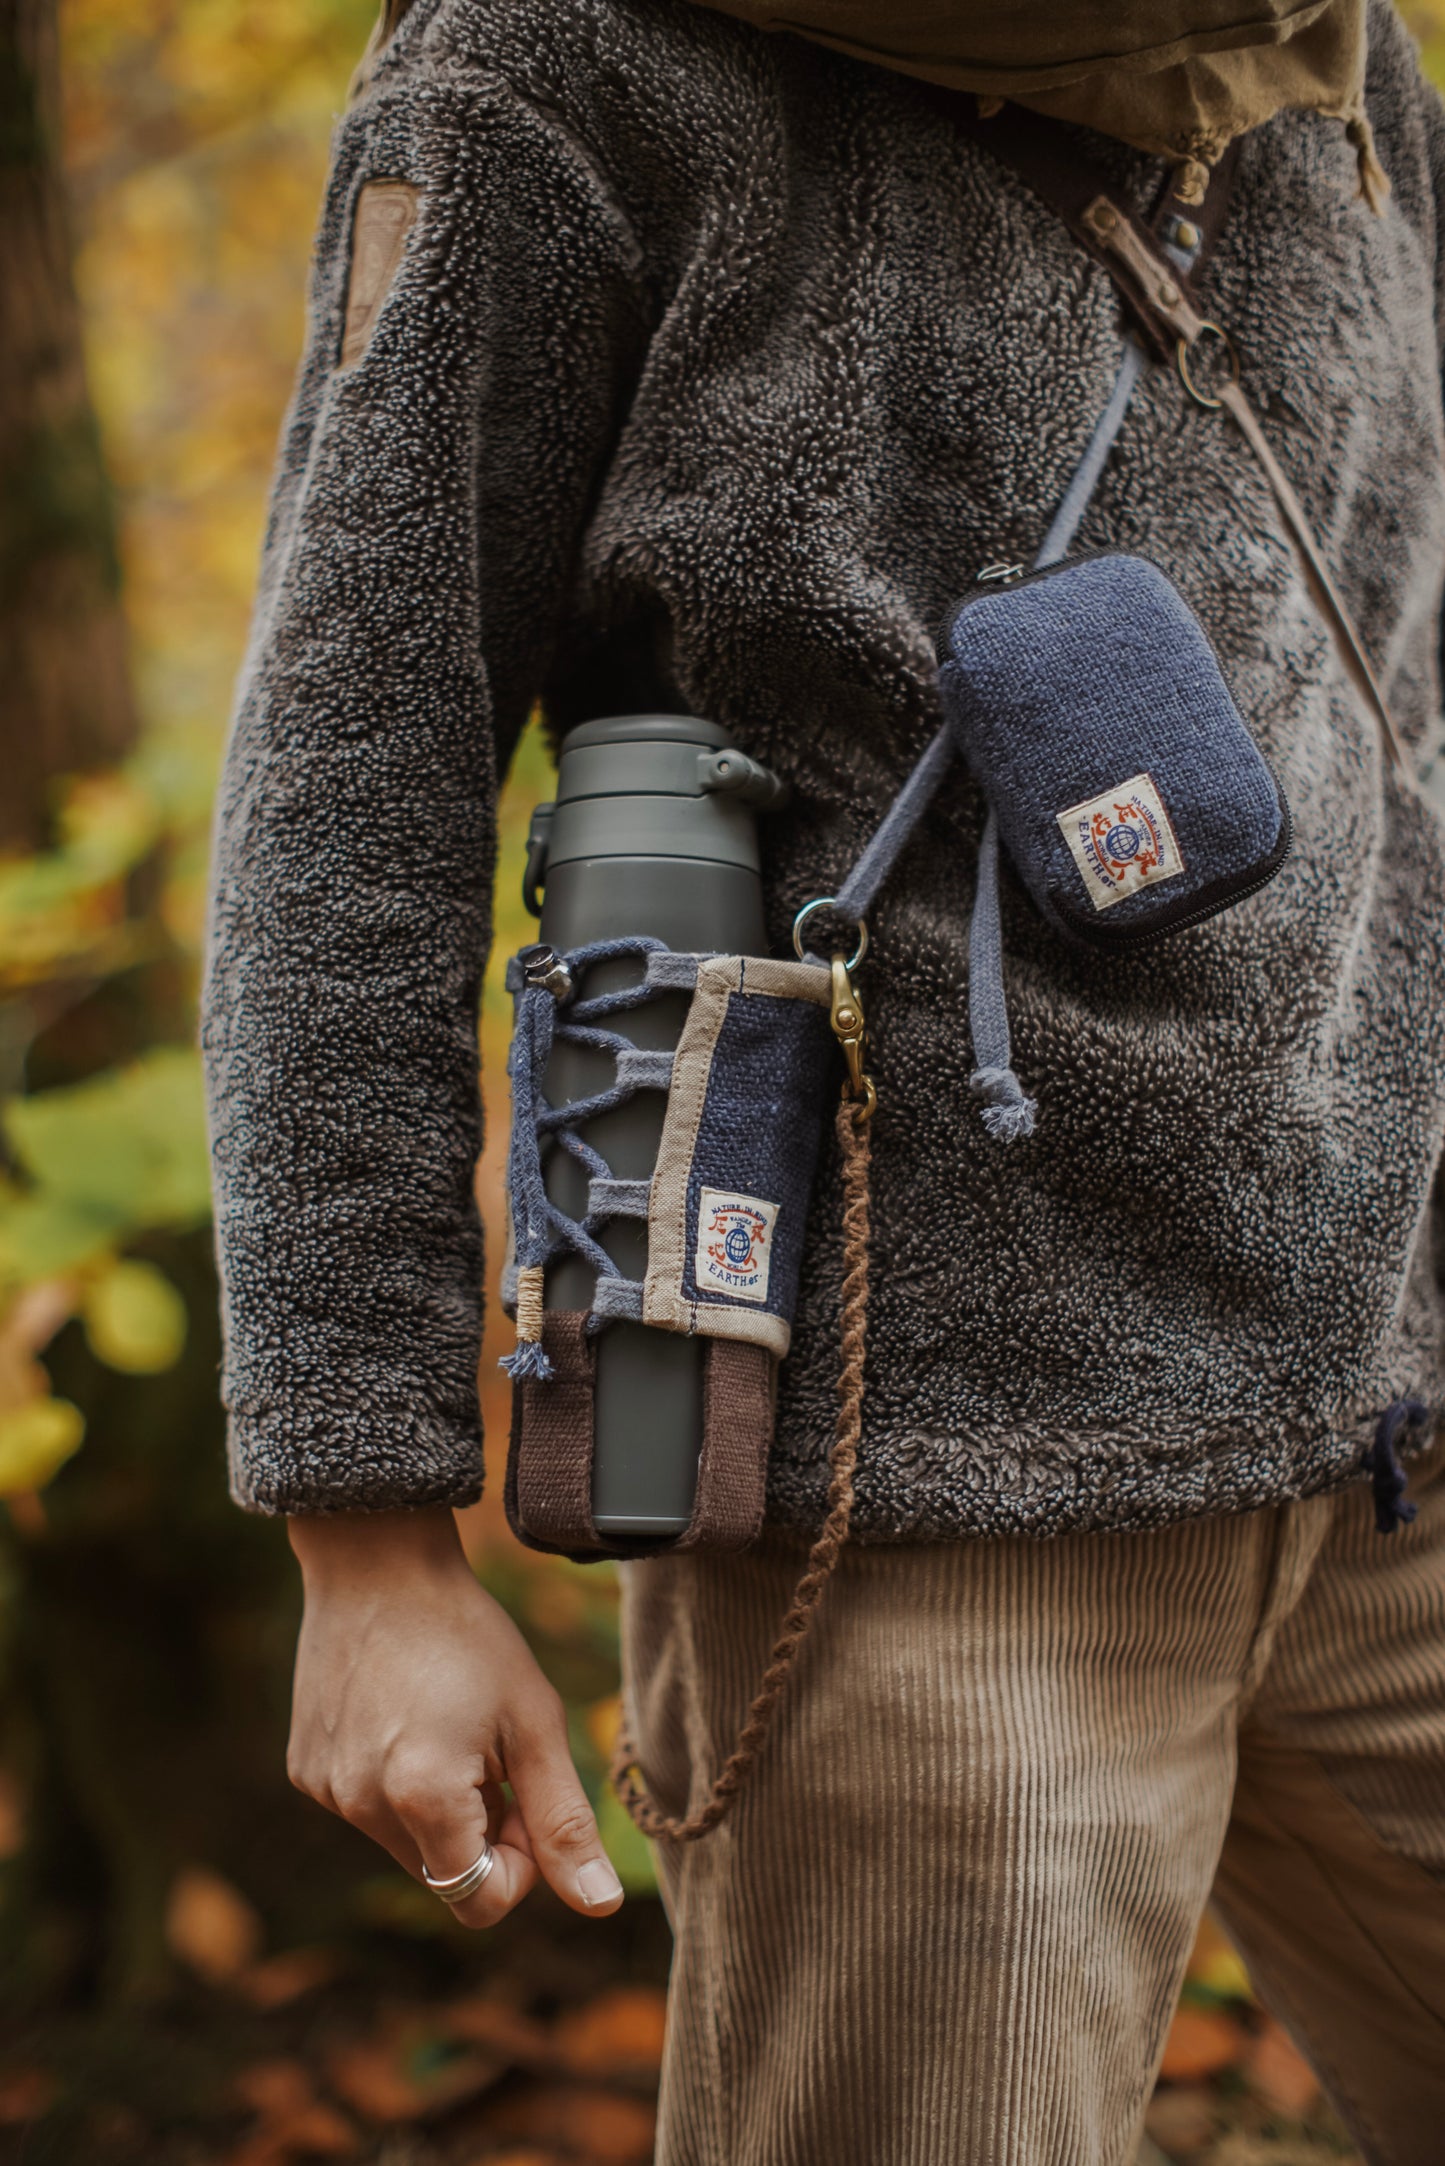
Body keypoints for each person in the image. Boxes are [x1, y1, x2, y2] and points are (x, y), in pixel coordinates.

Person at [201, 2, 1445, 2159]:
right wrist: (370, 1541)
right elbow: (348, 787)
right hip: (908, 1515)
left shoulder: (1328, 50)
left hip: (1402, 1427)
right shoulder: (552, 62)